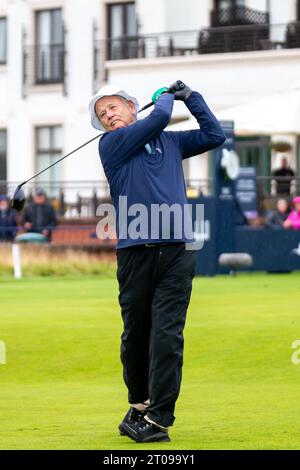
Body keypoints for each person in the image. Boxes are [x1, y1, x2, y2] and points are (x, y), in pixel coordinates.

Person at [88, 80, 225, 443]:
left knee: (166, 335)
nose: (108, 115)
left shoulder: (171, 141)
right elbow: (161, 115)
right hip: (134, 253)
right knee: (136, 335)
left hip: (177, 252)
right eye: (103, 114)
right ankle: (139, 403)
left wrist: (192, 97)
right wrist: (165, 98)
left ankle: (159, 418)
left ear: (133, 107)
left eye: (114, 107)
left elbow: (214, 135)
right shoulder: (111, 145)